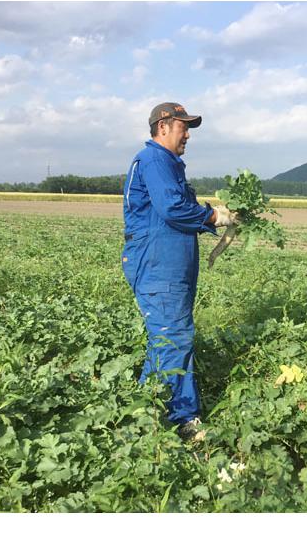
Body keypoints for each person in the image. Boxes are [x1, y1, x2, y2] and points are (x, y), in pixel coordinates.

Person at [121, 102, 236, 442]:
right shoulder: (155, 160)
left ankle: (144, 414)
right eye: (184, 126)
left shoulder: (167, 164)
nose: (188, 134)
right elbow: (173, 209)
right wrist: (214, 217)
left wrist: (211, 215)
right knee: (173, 338)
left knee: (169, 339)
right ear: (164, 126)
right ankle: (180, 420)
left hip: (168, 267)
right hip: (158, 267)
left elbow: (178, 208)